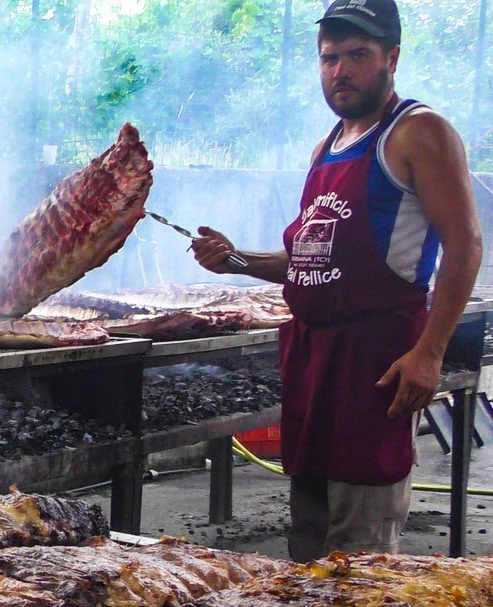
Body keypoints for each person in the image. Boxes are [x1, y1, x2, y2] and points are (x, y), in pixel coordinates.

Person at [191, 0, 483, 561]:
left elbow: (465, 243)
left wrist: (430, 352)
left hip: (375, 359)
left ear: (391, 58)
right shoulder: (326, 147)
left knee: (360, 547)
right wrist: (236, 260)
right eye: (329, 59)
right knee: (309, 528)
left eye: (357, 55)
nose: (339, 71)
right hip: (312, 357)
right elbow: (307, 256)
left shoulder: (419, 132)